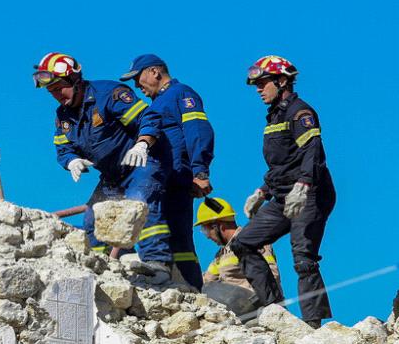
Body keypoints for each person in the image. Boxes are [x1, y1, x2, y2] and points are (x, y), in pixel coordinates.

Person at [34, 52, 174, 280]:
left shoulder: (109, 94)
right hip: (111, 175)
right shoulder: (63, 115)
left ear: (75, 81)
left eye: (60, 88)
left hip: (141, 164)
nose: (57, 95)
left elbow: (148, 118)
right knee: (92, 218)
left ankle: (157, 264)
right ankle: (101, 267)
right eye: (51, 92)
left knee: (140, 203)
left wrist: (141, 144)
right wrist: (71, 161)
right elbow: (63, 147)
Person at [230, 55, 336, 328]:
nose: (258, 88)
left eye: (262, 82)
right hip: (282, 196)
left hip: (309, 194)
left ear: (282, 80)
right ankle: (276, 311)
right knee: (243, 243)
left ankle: (313, 326)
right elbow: (283, 162)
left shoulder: (300, 112)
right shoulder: (274, 116)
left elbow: (312, 152)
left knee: (303, 259)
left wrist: (304, 185)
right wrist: (263, 191)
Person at [120, 54, 215, 290]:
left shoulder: (181, 93)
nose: (136, 86)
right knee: (171, 232)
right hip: (163, 176)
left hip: (177, 174)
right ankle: (180, 288)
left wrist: (200, 172)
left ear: (155, 72)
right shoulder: (158, 103)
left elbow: (198, 131)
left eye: (138, 78)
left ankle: (188, 287)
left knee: (173, 231)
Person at [194, 197, 281, 315]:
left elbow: (271, 275)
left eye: (206, 230)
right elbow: (206, 282)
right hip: (235, 308)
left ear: (219, 226)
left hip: (257, 305)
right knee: (203, 290)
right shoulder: (221, 255)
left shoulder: (252, 241)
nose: (207, 236)